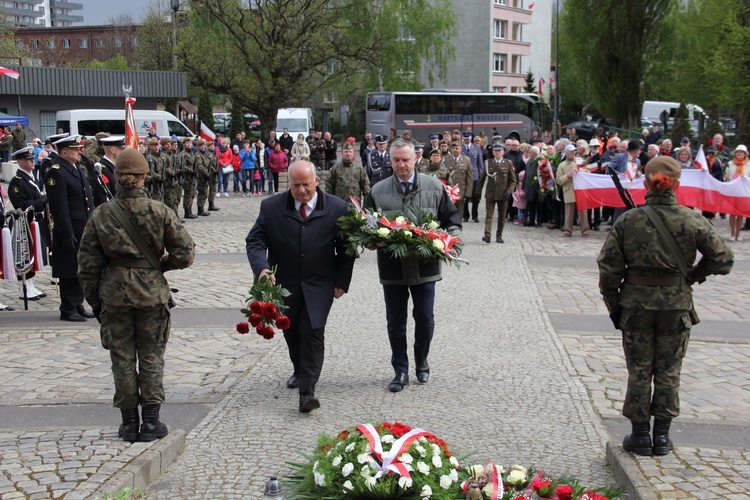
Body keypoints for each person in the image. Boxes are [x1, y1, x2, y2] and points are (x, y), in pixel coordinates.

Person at [597, 155, 733, 456]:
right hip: (676, 308)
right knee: (670, 370)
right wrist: (692, 276)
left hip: (636, 307)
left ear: (646, 182)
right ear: (677, 185)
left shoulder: (629, 220)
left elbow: (608, 268)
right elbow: (723, 259)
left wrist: (614, 305)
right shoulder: (692, 219)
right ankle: (661, 437)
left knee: (640, 369)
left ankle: (640, 436)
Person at [78, 148, 195, 442]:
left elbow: (87, 266)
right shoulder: (160, 211)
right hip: (152, 295)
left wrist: (96, 302)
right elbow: (185, 253)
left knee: (122, 359)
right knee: (152, 356)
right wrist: (158, 267)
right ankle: (152, 423)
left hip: (114, 297)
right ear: (144, 177)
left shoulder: (101, 215)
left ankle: (129, 424)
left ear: (117, 176)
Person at [246, 161, 355, 412]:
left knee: (312, 331)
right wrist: (262, 268)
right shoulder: (271, 207)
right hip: (284, 282)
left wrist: (341, 281)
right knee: (292, 330)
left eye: (306, 184)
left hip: (320, 282)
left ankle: (308, 392)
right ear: (288, 183)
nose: (302, 190)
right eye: (296, 185)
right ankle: (299, 369)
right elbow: (255, 241)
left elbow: (347, 248)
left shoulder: (337, 208)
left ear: (316, 181)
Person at [363, 139, 462, 393]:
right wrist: (375, 240)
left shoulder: (434, 187)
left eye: (405, 159)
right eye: (396, 160)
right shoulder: (378, 190)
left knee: (425, 319)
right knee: (396, 322)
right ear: (391, 161)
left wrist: (449, 242)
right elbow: (364, 225)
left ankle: (421, 360)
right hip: (392, 268)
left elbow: (452, 221)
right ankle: (401, 369)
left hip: (425, 267)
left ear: (416, 158)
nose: (401, 165)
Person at [45, 135, 95, 322]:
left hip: (82, 227)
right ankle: (67, 307)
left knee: (80, 267)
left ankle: (77, 303)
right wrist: (66, 232)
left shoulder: (75, 168)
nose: (79, 151)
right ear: (64, 152)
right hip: (70, 229)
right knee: (69, 268)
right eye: (75, 149)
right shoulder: (57, 172)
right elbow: (59, 206)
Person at [8, 147, 49, 300]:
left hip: (35, 221)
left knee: (33, 255)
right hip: (24, 222)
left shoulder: (32, 178)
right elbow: (21, 205)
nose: (33, 161)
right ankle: (23, 288)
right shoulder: (16, 182)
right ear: (19, 162)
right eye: (28, 160)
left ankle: (31, 285)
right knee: (24, 256)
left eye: (33, 159)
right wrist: (41, 201)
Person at [478, 143, 517, 243]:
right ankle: (487, 235)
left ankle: (499, 235)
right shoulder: (488, 163)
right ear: (493, 152)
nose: (497, 153)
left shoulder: (508, 163)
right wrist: (477, 192)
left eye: (499, 151)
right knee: (489, 215)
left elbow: (513, 180)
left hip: (503, 194)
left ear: (503, 152)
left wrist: (510, 191)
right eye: (495, 151)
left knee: (502, 216)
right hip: (490, 193)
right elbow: (482, 179)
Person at [556, 144, 590, 237]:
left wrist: (580, 172)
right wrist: (568, 175)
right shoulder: (561, 165)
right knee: (569, 212)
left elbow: (588, 172)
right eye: (571, 151)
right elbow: (559, 180)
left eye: (574, 151)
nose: (573, 153)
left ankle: (585, 230)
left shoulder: (581, 162)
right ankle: (567, 230)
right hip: (569, 190)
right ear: (566, 153)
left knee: (583, 212)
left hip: (581, 190)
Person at [324, 142, 370, 209]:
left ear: (353, 154)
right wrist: (330, 203)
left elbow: (366, 186)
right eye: (346, 152)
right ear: (342, 153)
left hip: (355, 206)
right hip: (339, 205)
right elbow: (329, 186)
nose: (348, 154)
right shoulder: (335, 168)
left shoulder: (359, 168)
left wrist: (366, 205)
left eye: (350, 152)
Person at [725, 145, 750, 241]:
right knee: (732, 213)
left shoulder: (748, 165)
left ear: (745, 154)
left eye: (741, 152)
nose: (739, 154)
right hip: (732, 191)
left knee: (740, 213)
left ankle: (738, 234)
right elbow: (727, 175)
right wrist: (726, 177)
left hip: (742, 192)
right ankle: (732, 233)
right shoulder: (730, 163)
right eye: (737, 152)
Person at [444, 141, 473, 220]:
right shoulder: (446, 160)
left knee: (459, 214)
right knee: (449, 213)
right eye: (453, 148)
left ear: (461, 149)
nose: (455, 150)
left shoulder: (466, 160)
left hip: (461, 191)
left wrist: (468, 193)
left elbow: (469, 178)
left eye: (457, 148)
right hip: (449, 191)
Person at [461, 132, 483, 223]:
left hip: (474, 175)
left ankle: (475, 215)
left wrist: (480, 175)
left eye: (468, 139)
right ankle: (465, 215)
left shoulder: (476, 148)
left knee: (475, 196)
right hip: (464, 175)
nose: (467, 140)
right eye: (465, 139)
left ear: (471, 139)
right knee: (465, 196)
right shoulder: (461, 148)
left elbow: (480, 162)